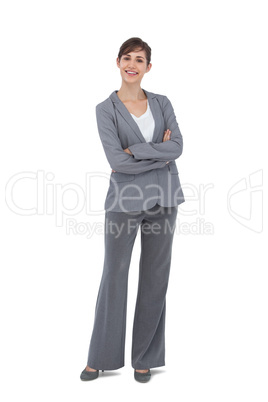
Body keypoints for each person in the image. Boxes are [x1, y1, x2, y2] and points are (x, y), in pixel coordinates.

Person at [80, 37, 185, 383]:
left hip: (164, 200)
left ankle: (145, 358)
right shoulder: (104, 109)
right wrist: (158, 150)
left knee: (156, 280)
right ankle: (100, 358)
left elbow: (178, 147)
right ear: (118, 62)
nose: (133, 64)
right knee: (114, 276)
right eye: (128, 57)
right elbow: (115, 161)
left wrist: (135, 152)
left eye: (140, 59)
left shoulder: (162, 102)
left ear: (148, 68)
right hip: (123, 203)